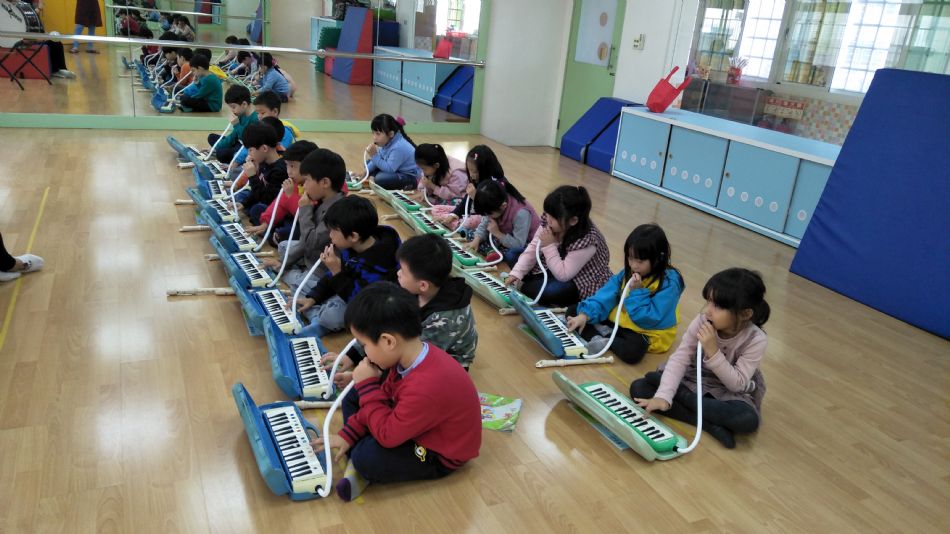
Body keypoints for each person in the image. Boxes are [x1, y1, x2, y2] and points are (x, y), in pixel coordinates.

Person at [314, 281, 481, 502]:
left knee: (366, 457)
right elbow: (385, 398)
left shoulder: (426, 386)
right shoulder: (406, 356)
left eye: (365, 345)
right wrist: (349, 433)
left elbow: (388, 436)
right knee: (354, 393)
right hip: (413, 423)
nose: (364, 353)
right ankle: (358, 446)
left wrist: (367, 386)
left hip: (438, 453)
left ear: (388, 341)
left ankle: (360, 463)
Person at [630, 268, 770, 449]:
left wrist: (713, 351)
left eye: (718, 306)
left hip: (725, 389)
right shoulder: (702, 320)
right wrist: (663, 396)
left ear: (745, 314)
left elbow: (736, 384)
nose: (708, 311)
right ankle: (710, 424)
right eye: (709, 301)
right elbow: (680, 358)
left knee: (748, 420)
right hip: (692, 378)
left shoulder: (756, 339)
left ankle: (686, 401)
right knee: (639, 388)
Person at [566, 223, 684, 364]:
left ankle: (604, 336)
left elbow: (650, 319)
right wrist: (585, 315)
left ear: (658, 258)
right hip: (622, 321)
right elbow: (606, 295)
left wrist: (637, 292)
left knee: (633, 351)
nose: (633, 265)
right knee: (574, 311)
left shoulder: (670, 283)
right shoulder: (628, 272)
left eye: (640, 261)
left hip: (646, 330)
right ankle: (607, 336)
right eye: (630, 258)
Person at [294, 196, 401, 337]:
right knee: (303, 288)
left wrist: (337, 272)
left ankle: (319, 319)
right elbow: (332, 276)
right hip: (346, 287)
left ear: (353, 236)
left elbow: (361, 302)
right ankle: (318, 312)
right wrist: (314, 297)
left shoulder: (380, 264)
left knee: (332, 316)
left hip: (366, 304)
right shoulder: (353, 246)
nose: (330, 235)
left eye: (333, 231)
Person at [506, 185, 611, 307]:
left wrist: (549, 246)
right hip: (553, 264)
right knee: (512, 254)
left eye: (554, 217)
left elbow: (563, 275)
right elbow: (533, 248)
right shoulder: (551, 220)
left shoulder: (586, 239)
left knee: (551, 291)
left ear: (573, 221)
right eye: (548, 214)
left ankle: (528, 287)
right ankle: (531, 285)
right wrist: (516, 273)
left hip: (576, 279)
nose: (548, 220)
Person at [263, 147, 345, 295]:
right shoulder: (323, 200)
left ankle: (293, 274)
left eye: (307, 180)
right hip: (313, 254)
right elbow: (304, 240)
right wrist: (282, 263)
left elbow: (311, 242)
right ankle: (295, 269)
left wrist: (305, 209)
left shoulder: (336, 211)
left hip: (322, 267)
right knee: (284, 245)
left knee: (301, 283)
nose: (304, 186)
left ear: (325, 182)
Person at [395, 234, 478, 369]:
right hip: (422, 339)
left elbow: (417, 358)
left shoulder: (445, 319)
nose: (398, 273)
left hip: (450, 365)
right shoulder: (421, 287)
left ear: (423, 285)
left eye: (403, 271)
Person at [467, 179, 541, 266]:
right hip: (506, 236)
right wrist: (476, 239)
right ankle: (492, 252)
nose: (487, 216)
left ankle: (493, 252)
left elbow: (519, 245)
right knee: (471, 234)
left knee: (512, 255)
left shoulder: (521, 213)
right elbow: (484, 223)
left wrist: (497, 233)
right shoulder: (493, 205)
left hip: (526, 243)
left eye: (489, 214)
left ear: (503, 206)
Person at [234, 123, 287, 225]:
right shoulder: (264, 161)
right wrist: (244, 204)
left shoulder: (280, 171)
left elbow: (268, 200)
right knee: (242, 197)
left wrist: (252, 176)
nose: (249, 154)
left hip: (272, 205)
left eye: (250, 150)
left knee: (257, 209)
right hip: (263, 196)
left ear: (264, 149)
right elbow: (260, 188)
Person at [351, 114, 419, 190]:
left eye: (378, 134)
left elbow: (389, 169)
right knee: (368, 163)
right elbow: (379, 159)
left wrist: (374, 156)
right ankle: (372, 177)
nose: (374, 137)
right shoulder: (387, 142)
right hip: (396, 169)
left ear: (391, 134)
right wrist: (364, 173)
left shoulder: (398, 147)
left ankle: (373, 177)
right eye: (373, 133)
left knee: (380, 178)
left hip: (410, 176)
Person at [207, 85, 258, 163]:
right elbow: (233, 135)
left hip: (245, 148)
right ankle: (218, 151)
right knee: (211, 137)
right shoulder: (241, 113)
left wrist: (236, 125)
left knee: (222, 154)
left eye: (233, 107)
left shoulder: (255, 118)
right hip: (238, 142)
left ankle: (227, 156)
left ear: (244, 104)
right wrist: (215, 147)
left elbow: (247, 141)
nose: (231, 110)